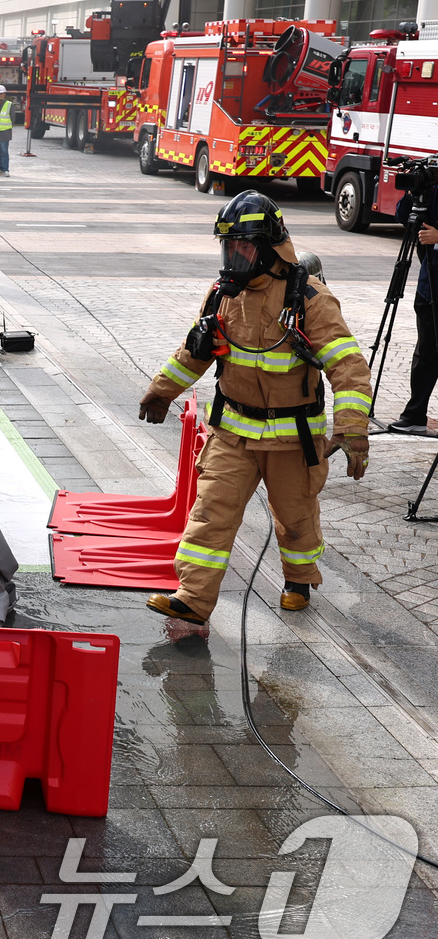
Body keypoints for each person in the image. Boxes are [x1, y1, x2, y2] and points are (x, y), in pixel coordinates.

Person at [138, 192, 373, 624]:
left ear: (267, 247)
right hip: (233, 432)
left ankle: (299, 579)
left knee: (296, 518)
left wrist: (353, 427)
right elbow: (196, 349)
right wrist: (161, 390)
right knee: (211, 511)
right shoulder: (223, 295)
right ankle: (192, 596)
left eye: (242, 246)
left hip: (291, 439)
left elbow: (348, 365)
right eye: (228, 246)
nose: (233, 256)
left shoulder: (310, 300)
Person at [385, 190, 438, 436]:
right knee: (425, 353)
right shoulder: (433, 183)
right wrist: (414, 190)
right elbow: (403, 217)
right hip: (428, 286)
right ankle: (415, 415)